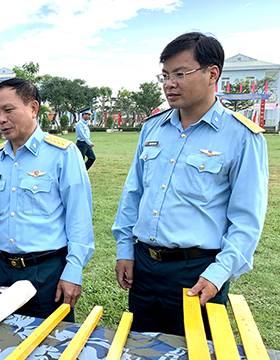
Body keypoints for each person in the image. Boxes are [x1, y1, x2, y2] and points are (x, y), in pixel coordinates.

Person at [112, 32, 268, 336]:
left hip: (196, 272)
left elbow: (247, 218)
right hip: (144, 266)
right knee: (140, 352)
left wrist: (218, 274)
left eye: (180, 74)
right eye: (165, 75)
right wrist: (125, 250)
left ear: (212, 74)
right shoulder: (153, 128)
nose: (169, 84)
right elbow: (134, 193)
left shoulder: (241, 137)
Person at [0, 78, 94, 322]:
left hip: (47, 271)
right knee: (4, 342)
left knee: (50, 347)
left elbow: (79, 218)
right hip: (4, 269)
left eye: (8, 110)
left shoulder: (63, 154)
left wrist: (73, 271)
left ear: (33, 108)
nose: (1, 119)